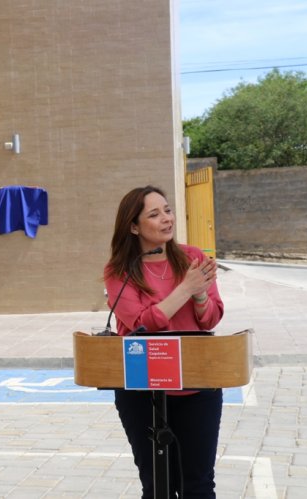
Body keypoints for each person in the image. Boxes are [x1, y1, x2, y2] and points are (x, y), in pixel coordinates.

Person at [103, 185, 224, 498]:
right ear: (133, 226)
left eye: (168, 210)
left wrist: (199, 295)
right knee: (158, 484)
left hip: (197, 383)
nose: (166, 219)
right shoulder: (119, 271)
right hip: (142, 388)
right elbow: (142, 325)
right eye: (154, 214)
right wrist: (185, 289)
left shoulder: (193, 258)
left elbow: (210, 319)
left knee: (199, 484)